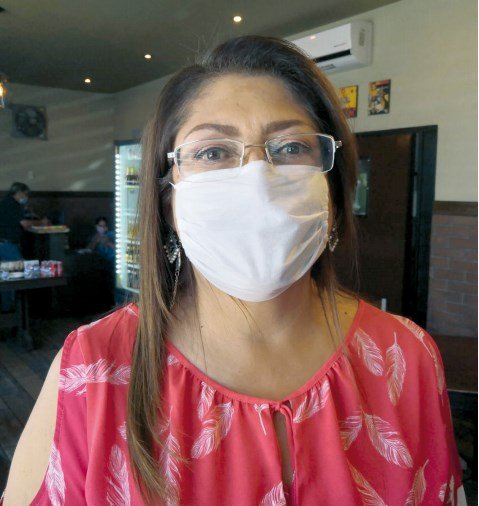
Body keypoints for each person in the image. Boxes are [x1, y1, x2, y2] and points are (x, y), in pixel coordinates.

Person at [2, 37, 464, 505]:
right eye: (212, 152)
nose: (258, 179)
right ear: (168, 200)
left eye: (291, 146)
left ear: (332, 186)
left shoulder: (407, 358)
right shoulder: (91, 371)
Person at [0, 182, 48, 312]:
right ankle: (13, 311)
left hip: (3, 243)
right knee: (17, 275)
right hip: (7, 245)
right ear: (19, 192)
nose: (26, 197)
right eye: (25, 194)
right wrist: (41, 222)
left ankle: (7, 309)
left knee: (6, 277)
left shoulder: (6, 202)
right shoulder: (13, 205)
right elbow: (25, 223)